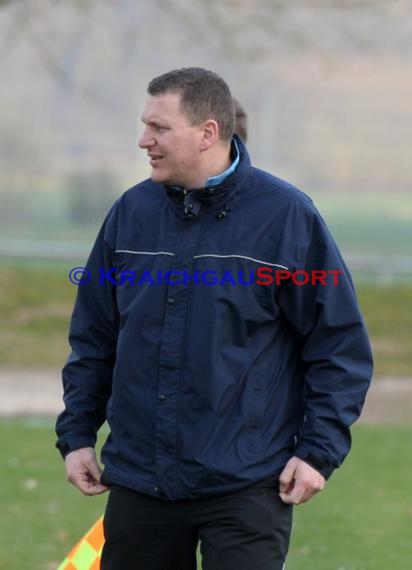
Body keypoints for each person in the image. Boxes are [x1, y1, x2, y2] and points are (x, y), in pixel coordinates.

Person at [56, 67, 373, 570]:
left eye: (159, 128)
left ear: (207, 133)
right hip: (139, 485)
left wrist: (318, 453)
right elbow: (95, 337)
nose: (144, 141)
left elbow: (338, 347)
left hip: (246, 487)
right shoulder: (129, 213)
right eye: (145, 126)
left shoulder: (287, 217)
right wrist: (76, 436)